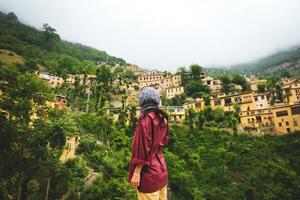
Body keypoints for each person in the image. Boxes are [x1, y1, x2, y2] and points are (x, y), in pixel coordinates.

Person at [128, 87, 169, 200]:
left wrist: (136, 172)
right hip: (161, 170)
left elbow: (142, 148)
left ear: (143, 101)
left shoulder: (145, 119)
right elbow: (163, 142)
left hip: (149, 175)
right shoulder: (163, 119)